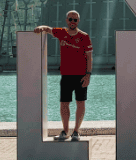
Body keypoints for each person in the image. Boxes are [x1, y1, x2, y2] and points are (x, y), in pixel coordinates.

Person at [34, 10, 93, 141]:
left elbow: (89, 57)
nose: (73, 22)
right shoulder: (62, 33)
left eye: (75, 20)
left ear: (78, 21)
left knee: (80, 103)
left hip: (81, 75)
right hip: (66, 75)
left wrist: (88, 75)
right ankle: (65, 131)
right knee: (64, 104)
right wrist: (41, 27)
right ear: (66, 20)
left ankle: (76, 131)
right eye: (70, 19)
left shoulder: (84, 36)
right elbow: (48, 29)